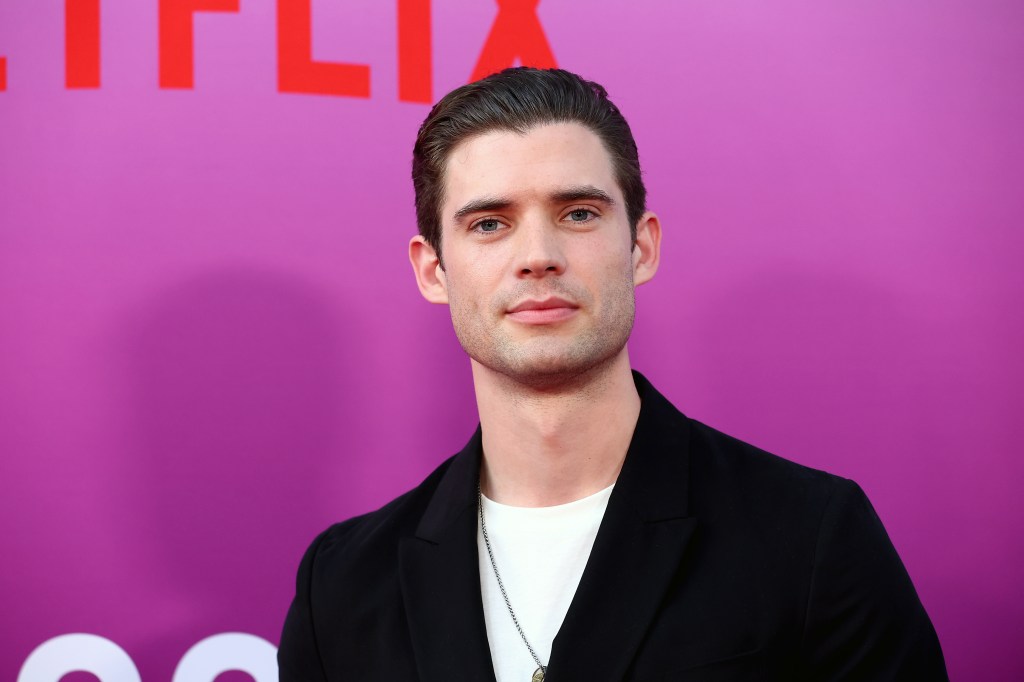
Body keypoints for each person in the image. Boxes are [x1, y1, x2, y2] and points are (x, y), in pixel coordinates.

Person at [278, 67, 947, 682]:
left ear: (642, 245)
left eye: (578, 213)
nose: (538, 256)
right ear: (433, 270)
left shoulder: (810, 537)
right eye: (489, 223)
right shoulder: (341, 585)